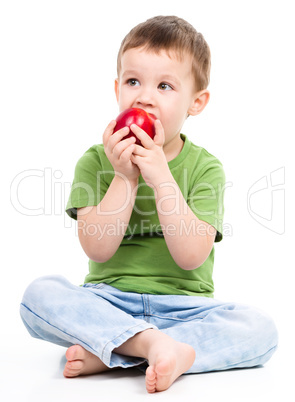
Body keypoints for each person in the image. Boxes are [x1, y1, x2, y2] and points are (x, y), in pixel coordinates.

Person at [20, 15, 278, 393]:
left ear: (196, 102)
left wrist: (160, 176)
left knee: (261, 330)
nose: (144, 96)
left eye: (165, 86)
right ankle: (149, 346)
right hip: (108, 302)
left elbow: (191, 256)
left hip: (184, 310)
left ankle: (116, 350)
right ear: (117, 88)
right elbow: (98, 249)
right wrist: (125, 177)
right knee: (38, 295)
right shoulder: (95, 161)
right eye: (133, 81)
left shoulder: (206, 168)